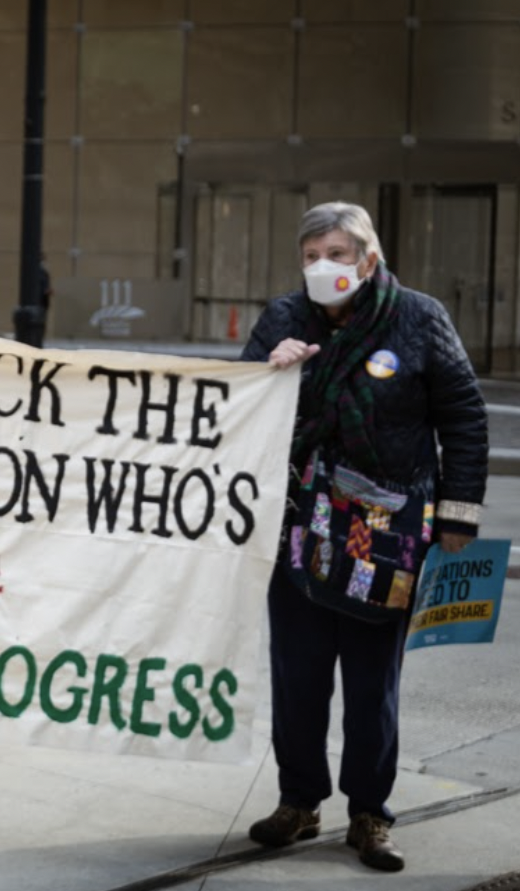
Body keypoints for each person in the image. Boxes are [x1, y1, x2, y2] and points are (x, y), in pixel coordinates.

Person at [241, 201, 488, 873]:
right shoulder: (283, 321)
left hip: (386, 534)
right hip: (301, 528)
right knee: (297, 675)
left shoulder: (419, 318)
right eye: (311, 255)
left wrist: (458, 513)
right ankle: (299, 801)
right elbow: (237, 416)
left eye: (337, 254)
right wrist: (271, 376)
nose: (323, 266)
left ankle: (370, 813)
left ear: (368, 258)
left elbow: (462, 415)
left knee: (373, 682)